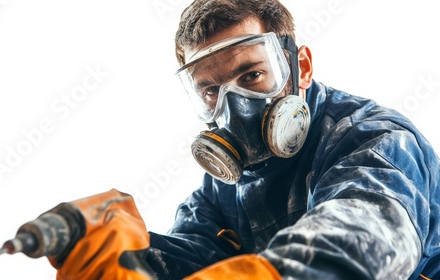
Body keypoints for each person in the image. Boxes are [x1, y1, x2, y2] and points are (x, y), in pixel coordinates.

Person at [50, 0, 440, 279]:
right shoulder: (221, 189)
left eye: (252, 76)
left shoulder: (375, 142)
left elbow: (364, 248)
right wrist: (134, 260)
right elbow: (196, 260)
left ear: (299, 66)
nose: (234, 105)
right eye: (210, 90)